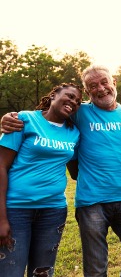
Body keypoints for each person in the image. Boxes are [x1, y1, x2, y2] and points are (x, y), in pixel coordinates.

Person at [1, 65, 121, 276]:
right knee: (95, 267)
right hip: (91, 201)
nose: (101, 89)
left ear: (114, 83)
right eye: (92, 86)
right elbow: (49, 116)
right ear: (87, 92)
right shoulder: (79, 112)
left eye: (104, 82)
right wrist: (9, 119)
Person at [0, 83, 82, 277]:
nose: (73, 102)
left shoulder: (74, 133)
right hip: (16, 210)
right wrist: (1, 218)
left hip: (53, 211)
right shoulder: (24, 120)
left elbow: (76, 172)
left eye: (78, 101)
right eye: (69, 96)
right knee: (9, 271)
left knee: (42, 273)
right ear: (53, 95)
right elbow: (1, 166)